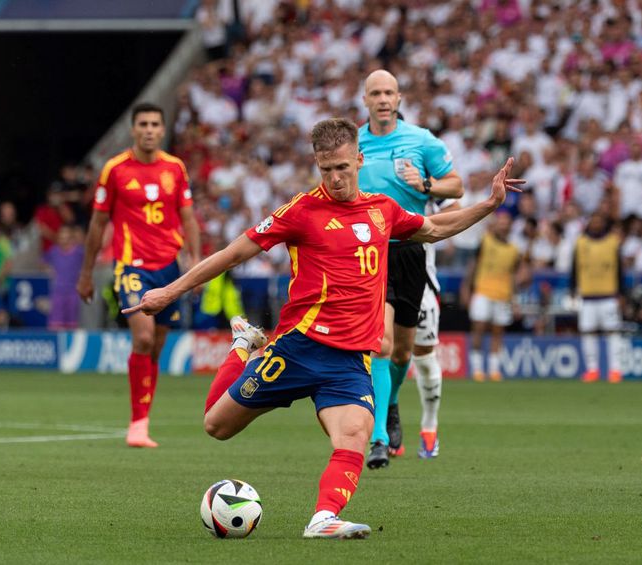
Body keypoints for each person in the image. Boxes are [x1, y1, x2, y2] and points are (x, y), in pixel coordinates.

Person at [122, 118, 522, 539]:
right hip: (297, 349)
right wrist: (170, 291)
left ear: (359, 160)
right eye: (326, 169)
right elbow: (232, 253)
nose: (334, 178)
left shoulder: (382, 209)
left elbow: (435, 228)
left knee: (354, 436)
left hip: (349, 360)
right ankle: (243, 345)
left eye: (343, 168)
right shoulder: (301, 211)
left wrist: (489, 204)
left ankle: (323, 518)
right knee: (216, 427)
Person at [76, 102, 201, 448]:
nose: (148, 129)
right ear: (133, 129)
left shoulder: (175, 169)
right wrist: (86, 273)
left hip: (169, 269)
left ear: (162, 130)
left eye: (154, 124)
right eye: (142, 123)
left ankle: (143, 419)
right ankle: (137, 423)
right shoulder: (114, 170)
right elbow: (98, 223)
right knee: (143, 338)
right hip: (131, 267)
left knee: (156, 347)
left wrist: (195, 260)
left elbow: (188, 218)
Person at [357, 69, 464, 468]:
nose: (383, 99)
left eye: (389, 92)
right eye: (375, 93)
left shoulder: (420, 140)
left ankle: (393, 400)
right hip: (370, 253)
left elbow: (457, 186)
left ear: (399, 98)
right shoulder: (354, 143)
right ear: (365, 100)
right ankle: (380, 438)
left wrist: (426, 186)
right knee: (381, 344)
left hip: (412, 251)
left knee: (403, 351)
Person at [411, 198, 459, 459]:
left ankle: (429, 426)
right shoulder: (365, 173)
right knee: (376, 354)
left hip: (421, 284)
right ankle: (382, 431)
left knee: (424, 357)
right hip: (376, 280)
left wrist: (425, 188)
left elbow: (455, 207)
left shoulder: (421, 170)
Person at [461, 210, 521, 382]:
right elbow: (473, 266)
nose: (503, 225)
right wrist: (466, 288)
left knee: (497, 332)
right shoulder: (485, 242)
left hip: (503, 294)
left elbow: (513, 276)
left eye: (506, 222)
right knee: (478, 329)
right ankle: (477, 369)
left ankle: (494, 370)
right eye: (500, 221)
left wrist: (514, 300)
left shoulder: (514, 250)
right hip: (483, 292)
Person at [571, 213, 624, 383]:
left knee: (613, 332)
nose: (596, 224)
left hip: (608, 295)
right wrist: (572, 289)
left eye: (599, 221)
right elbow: (574, 268)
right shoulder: (580, 242)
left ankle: (615, 370)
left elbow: (620, 270)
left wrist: (622, 293)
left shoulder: (612, 242)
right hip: (587, 295)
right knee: (588, 332)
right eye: (593, 221)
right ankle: (592, 369)